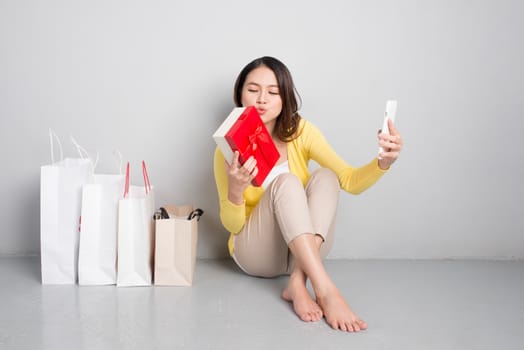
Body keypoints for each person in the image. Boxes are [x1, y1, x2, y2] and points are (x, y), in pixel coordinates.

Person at [213, 56, 403, 332]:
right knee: (287, 183)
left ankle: (298, 282)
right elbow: (233, 226)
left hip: (300, 255)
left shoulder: (300, 132)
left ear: (285, 97)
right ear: (240, 94)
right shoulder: (227, 149)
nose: (262, 99)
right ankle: (325, 289)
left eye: (273, 92)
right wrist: (236, 189)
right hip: (255, 254)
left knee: (326, 177)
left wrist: (383, 162)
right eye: (253, 90)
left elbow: (349, 180)